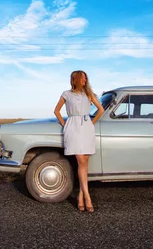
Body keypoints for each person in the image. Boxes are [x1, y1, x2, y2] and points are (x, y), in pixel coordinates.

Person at [54, 70, 105, 213]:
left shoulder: (89, 94)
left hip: (86, 127)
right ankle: (87, 196)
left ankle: (81, 195)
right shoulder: (66, 94)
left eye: (85, 78)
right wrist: (65, 125)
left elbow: (100, 110)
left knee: (85, 162)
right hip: (73, 127)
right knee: (80, 161)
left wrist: (91, 123)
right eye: (82, 78)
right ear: (74, 79)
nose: (84, 80)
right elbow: (56, 111)